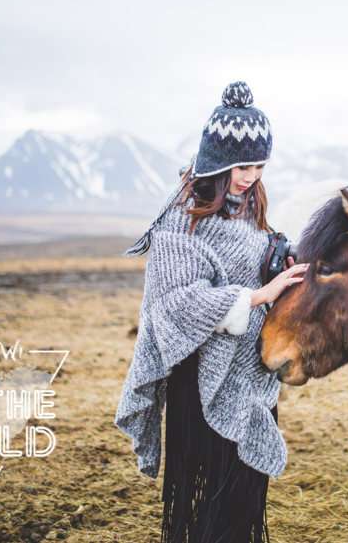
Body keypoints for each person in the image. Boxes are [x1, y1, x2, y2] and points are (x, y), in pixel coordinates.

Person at [115, 81, 308, 543]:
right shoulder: (184, 212)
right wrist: (260, 295)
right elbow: (176, 305)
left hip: (245, 369)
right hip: (198, 378)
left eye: (260, 164)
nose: (250, 175)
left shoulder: (248, 204)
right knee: (209, 496)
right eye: (242, 164)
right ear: (217, 158)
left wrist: (277, 262)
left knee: (244, 495)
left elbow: (246, 259)